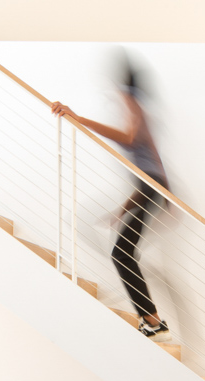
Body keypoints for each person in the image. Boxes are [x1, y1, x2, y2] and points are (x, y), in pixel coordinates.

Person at [51, 55, 172, 343]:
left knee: (121, 253)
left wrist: (79, 119)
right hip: (149, 186)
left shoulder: (132, 102)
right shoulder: (139, 105)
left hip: (150, 186)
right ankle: (151, 320)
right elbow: (151, 159)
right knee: (123, 252)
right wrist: (130, 206)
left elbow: (130, 139)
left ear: (121, 85)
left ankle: (152, 321)